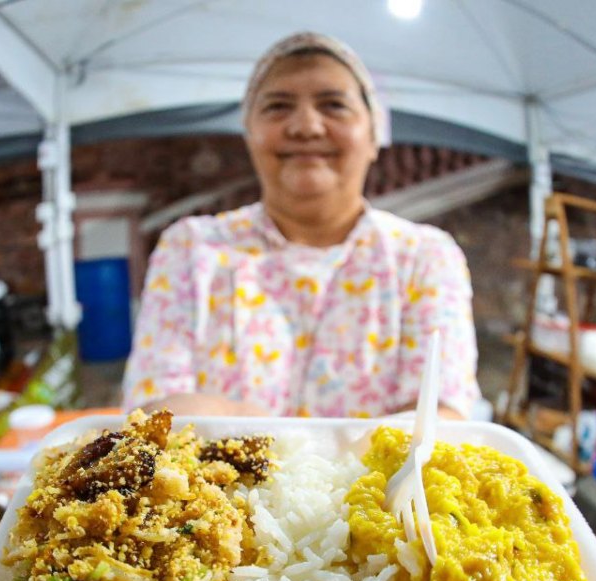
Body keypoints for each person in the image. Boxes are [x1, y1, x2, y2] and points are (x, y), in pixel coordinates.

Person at [121, 32, 478, 419]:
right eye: (277, 106)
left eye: (334, 105)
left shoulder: (424, 258)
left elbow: (440, 417)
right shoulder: (193, 250)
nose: (306, 126)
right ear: (249, 135)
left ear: (374, 135)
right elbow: (156, 410)